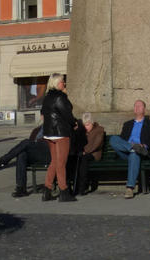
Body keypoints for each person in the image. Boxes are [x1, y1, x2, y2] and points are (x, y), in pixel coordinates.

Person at [108, 99, 150, 198]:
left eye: (139, 106)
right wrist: (131, 146)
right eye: (135, 106)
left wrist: (144, 146)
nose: (137, 108)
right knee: (113, 139)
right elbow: (121, 140)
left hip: (141, 152)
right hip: (126, 151)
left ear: (144, 109)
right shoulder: (127, 124)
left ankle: (129, 188)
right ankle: (133, 147)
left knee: (134, 154)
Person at [40, 72, 77, 203]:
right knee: (61, 163)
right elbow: (67, 113)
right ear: (57, 83)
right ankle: (64, 191)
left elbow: (42, 114)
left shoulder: (47, 97)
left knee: (54, 162)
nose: (64, 83)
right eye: (62, 81)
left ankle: (47, 190)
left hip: (49, 132)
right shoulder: (60, 97)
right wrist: (74, 123)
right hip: (60, 132)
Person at [76, 112, 105, 196]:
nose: (86, 127)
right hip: (83, 153)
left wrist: (86, 152)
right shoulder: (82, 131)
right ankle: (75, 186)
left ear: (92, 123)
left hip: (94, 154)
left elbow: (97, 144)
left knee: (84, 159)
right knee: (76, 159)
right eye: (84, 125)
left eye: (88, 124)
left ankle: (82, 187)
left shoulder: (99, 130)